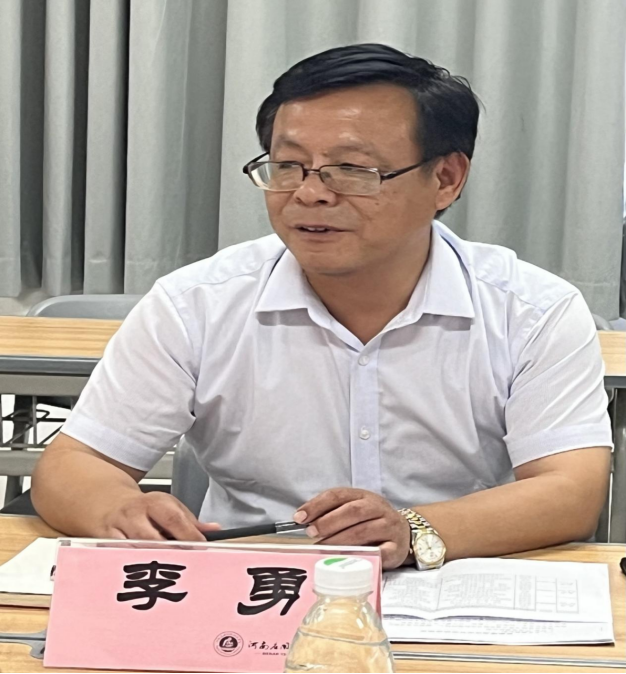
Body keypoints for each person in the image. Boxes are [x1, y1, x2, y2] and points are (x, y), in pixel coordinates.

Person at [32, 44, 611, 570]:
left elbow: (571, 489)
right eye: (288, 166)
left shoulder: (532, 311)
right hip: (251, 592)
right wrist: (119, 510)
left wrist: (412, 529)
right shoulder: (196, 305)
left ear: (446, 178)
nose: (309, 193)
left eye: (352, 170)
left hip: (455, 583)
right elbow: (74, 464)